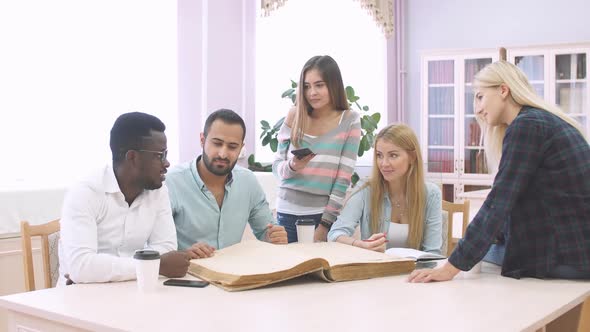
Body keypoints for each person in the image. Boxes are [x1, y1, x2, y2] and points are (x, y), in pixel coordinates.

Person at [409, 60, 590, 283]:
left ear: (503, 90)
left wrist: (450, 268)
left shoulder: (527, 126)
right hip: (576, 250)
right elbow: (512, 204)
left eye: (479, 96)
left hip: (567, 256)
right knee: (479, 251)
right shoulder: (544, 122)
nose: (476, 109)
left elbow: (498, 202)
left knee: (470, 259)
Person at [58, 112, 190, 285]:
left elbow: (166, 247)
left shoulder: (158, 190)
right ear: (132, 157)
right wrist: (155, 265)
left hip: (133, 290)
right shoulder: (86, 193)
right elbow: (82, 267)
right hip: (83, 299)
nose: (167, 164)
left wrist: (102, 270)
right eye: (159, 155)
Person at [165, 109, 287, 258]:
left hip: (231, 274)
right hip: (185, 275)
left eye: (232, 146)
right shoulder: (172, 182)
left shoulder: (248, 181)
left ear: (241, 147)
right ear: (202, 140)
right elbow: (155, 247)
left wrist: (273, 237)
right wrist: (183, 255)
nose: (223, 153)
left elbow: (265, 231)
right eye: (217, 144)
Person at [273, 55, 361, 243]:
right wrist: (292, 166)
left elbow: (343, 178)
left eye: (319, 85)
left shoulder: (349, 120)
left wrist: (325, 225)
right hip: (285, 212)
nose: (312, 92)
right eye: (307, 86)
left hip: (320, 216)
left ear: (333, 84)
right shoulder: (294, 115)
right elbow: (277, 167)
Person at [328, 124, 442, 254]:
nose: (384, 163)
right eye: (379, 155)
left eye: (393, 155)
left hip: (415, 272)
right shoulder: (366, 189)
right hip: (377, 270)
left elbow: (433, 252)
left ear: (412, 157)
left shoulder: (431, 194)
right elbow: (335, 234)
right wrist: (359, 245)